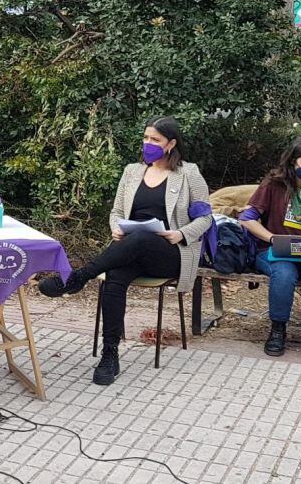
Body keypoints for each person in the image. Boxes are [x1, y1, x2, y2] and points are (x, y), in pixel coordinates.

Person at [38, 117, 212, 386]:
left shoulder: (189, 174)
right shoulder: (132, 171)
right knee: (116, 275)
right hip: (130, 249)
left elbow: (205, 219)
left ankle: (77, 277)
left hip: (170, 252)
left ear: (171, 144)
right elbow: (117, 212)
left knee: (141, 237)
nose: (148, 144)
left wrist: (179, 233)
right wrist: (116, 228)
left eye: (155, 139)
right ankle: (110, 354)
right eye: (145, 138)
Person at [239, 135, 301, 362]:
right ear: (293, 162)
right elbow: (247, 218)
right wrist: (272, 237)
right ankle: (277, 331)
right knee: (284, 273)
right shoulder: (274, 184)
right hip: (274, 250)